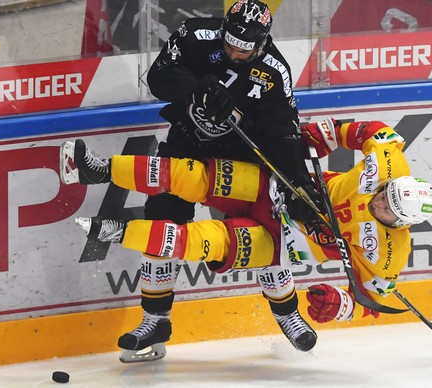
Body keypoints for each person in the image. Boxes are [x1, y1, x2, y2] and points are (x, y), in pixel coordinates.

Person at [60, 117, 432, 359]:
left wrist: (338, 305)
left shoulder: (391, 253)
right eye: (385, 194)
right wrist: (324, 134)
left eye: (388, 210)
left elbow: (370, 300)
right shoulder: (390, 162)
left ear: (401, 225)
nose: (381, 202)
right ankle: (98, 169)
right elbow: (369, 131)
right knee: (191, 175)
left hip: (282, 242)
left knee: (204, 239)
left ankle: (118, 231)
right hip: (281, 188)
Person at [106, 0, 321, 362]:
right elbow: (159, 76)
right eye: (230, 44)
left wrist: (298, 184)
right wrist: (198, 88)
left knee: (264, 233)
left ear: (263, 42)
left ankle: (287, 313)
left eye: (244, 48)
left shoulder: (274, 71)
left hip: (237, 158)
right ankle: (155, 318)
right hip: (187, 146)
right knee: (161, 220)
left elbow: (284, 133)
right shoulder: (195, 36)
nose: (235, 52)